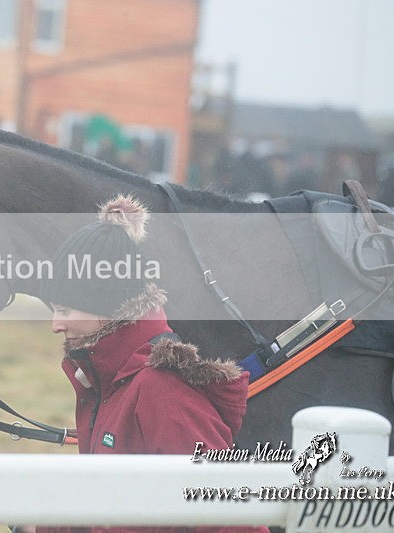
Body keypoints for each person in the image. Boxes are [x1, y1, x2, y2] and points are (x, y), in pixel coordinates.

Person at [29, 194, 267, 533]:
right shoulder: (107, 384)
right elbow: (107, 510)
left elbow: (229, 519)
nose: (55, 325)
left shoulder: (161, 390)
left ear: (105, 305)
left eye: (64, 310)